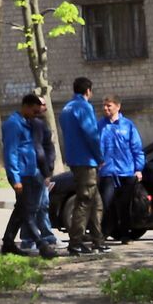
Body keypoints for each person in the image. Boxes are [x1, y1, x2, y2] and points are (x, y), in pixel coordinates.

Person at [0, 94, 58, 259]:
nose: (36, 115)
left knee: (21, 210)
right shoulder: (13, 124)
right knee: (27, 211)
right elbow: (10, 153)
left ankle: (8, 243)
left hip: (31, 172)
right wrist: (15, 178)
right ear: (25, 106)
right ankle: (42, 245)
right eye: (34, 111)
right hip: (21, 174)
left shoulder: (27, 123)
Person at [58, 75, 105, 255]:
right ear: (88, 91)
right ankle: (76, 242)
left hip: (74, 159)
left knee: (95, 201)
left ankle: (97, 240)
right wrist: (99, 156)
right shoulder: (84, 107)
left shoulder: (66, 109)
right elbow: (91, 134)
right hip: (86, 161)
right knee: (85, 201)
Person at [98, 96, 146, 242]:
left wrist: (138, 169)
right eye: (104, 106)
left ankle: (125, 234)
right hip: (107, 172)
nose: (106, 108)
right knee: (106, 204)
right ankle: (105, 233)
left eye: (109, 106)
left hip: (126, 171)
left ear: (118, 107)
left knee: (124, 205)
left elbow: (136, 148)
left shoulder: (128, 125)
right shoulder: (100, 125)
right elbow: (95, 146)